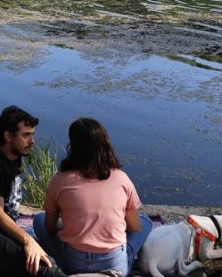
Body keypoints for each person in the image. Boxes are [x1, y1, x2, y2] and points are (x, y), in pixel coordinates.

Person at [33, 118, 152, 277]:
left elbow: (49, 226)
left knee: (39, 220)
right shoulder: (121, 178)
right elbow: (134, 227)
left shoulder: (59, 179)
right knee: (144, 222)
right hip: (114, 266)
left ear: (73, 147)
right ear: (105, 145)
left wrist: (72, 223)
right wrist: (109, 223)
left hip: (72, 264)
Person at [0, 106, 66, 277]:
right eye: (26, 135)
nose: (32, 141)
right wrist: (27, 240)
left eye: (32, 134)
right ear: (8, 136)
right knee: (45, 266)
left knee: (44, 257)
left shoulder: (14, 158)